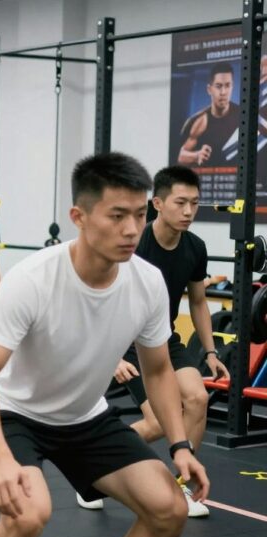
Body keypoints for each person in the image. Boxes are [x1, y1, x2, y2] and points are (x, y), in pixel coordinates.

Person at [0, 152, 209, 537]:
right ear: (79, 216)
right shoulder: (33, 279)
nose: (131, 229)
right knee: (27, 516)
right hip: (16, 413)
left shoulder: (147, 281)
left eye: (137, 214)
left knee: (169, 510)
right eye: (116, 216)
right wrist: (0, 458)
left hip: (85, 417)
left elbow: (158, 372)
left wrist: (181, 446)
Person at [76, 165, 225, 518]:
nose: (188, 212)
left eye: (194, 204)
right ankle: (90, 469)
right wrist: (111, 355)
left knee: (197, 399)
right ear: (157, 203)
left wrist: (210, 350)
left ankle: (182, 489)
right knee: (159, 422)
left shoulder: (195, 247)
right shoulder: (134, 243)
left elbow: (199, 301)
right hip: (123, 338)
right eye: (180, 203)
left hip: (162, 337)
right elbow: (101, 297)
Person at [178, 63, 238, 167]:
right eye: (218, 86)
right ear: (209, 89)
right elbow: (181, 157)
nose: (223, 92)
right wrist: (197, 155)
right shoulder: (199, 121)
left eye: (227, 86)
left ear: (232, 87)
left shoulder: (243, 116)